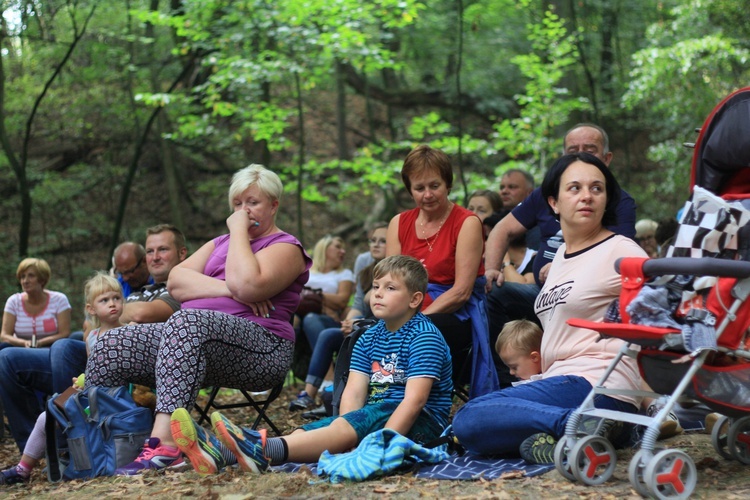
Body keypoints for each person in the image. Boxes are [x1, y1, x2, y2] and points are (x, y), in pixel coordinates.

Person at [83, 164, 312, 475]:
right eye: (237, 204)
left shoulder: (285, 247)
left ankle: (167, 445)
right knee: (111, 343)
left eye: (253, 203)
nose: (243, 211)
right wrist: (232, 292)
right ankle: (104, 446)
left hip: (261, 348)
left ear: (274, 205)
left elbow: (248, 283)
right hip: (194, 343)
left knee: (188, 320)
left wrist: (239, 233)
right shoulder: (219, 244)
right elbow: (176, 282)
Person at [169, 255, 453, 475]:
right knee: (309, 432)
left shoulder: (423, 336)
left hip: (421, 423)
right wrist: (347, 431)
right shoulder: (368, 337)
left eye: (390, 288)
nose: (377, 294)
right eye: (375, 287)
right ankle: (220, 453)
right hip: (376, 414)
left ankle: (256, 448)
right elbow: (353, 393)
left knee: (362, 419)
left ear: (415, 299)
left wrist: (381, 443)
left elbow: (415, 401)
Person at [452, 152, 646, 464]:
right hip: (562, 382)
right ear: (553, 202)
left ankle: (576, 425)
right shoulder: (559, 260)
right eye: (575, 188)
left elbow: (658, 308)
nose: (587, 196)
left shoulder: (620, 250)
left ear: (607, 200)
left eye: (597, 189)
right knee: (476, 430)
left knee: (470, 417)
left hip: (598, 383)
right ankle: (574, 435)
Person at [0, 224, 187, 453]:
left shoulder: (180, 287)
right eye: (150, 251)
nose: (155, 257)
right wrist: (100, 318)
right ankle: (41, 449)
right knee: (7, 358)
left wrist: (103, 314)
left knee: (64, 346)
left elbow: (139, 314)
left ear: (181, 253)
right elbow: (91, 324)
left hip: (134, 372)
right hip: (94, 366)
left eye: (163, 249)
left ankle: (74, 441)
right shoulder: (138, 291)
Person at [484, 123, 637, 387]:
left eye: (590, 149)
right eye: (572, 150)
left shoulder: (617, 204)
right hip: (542, 291)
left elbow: (618, 258)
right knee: (495, 293)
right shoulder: (544, 195)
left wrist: (563, 267)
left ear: (607, 158)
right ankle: (505, 384)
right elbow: (502, 229)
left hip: (585, 299)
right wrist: (492, 268)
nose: (581, 155)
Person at [386, 145, 497, 398]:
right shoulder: (398, 223)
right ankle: (354, 411)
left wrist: (415, 320)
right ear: (409, 190)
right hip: (406, 307)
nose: (427, 194)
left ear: (448, 184)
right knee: (362, 336)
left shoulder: (467, 222)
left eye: (434, 186)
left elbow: (461, 291)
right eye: (419, 188)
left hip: (453, 312)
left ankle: (409, 406)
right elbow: (389, 284)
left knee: (420, 333)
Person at [0, 272, 125, 485]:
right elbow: (92, 367)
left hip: (113, 400)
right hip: (90, 395)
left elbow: (123, 372)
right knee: (49, 414)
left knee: (77, 417)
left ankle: (75, 457)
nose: (112, 304)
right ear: (91, 309)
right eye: (104, 300)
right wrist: (81, 382)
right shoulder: (92, 337)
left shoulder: (127, 332)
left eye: (116, 298)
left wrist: (90, 380)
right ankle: (23, 468)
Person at [289, 223, 388, 413]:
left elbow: (345, 300)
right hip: (355, 322)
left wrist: (316, 297)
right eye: (372, 240)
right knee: (326, 334)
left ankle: (331, 389)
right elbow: (359, 303)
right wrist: (350, 322)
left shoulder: (392, 270)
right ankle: (310, 394)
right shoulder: (366, 268)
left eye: (382, 241)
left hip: (378, 325)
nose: (375, 245)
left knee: (312, 319)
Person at [297, 236, 354, 380]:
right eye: (337, 247)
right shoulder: (305, 270)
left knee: (311, 319)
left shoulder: (344, 273)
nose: (342, 251)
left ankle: (328, 377)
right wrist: (321, 304)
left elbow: (341, 301)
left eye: (343, 248)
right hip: (299, 315)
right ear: (324, 249)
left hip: (329, 320)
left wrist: (314, 297)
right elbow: (294, 294)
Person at [0, 258, 72, 350]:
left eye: (31, 276)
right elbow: (4, 335)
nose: (25, 281)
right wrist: (24, 343)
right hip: (20, 349)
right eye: (22, 277)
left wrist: (40, 343)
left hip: (52, 349)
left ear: (42, 280)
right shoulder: (14, 301)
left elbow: (64, 333)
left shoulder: (59, 300)